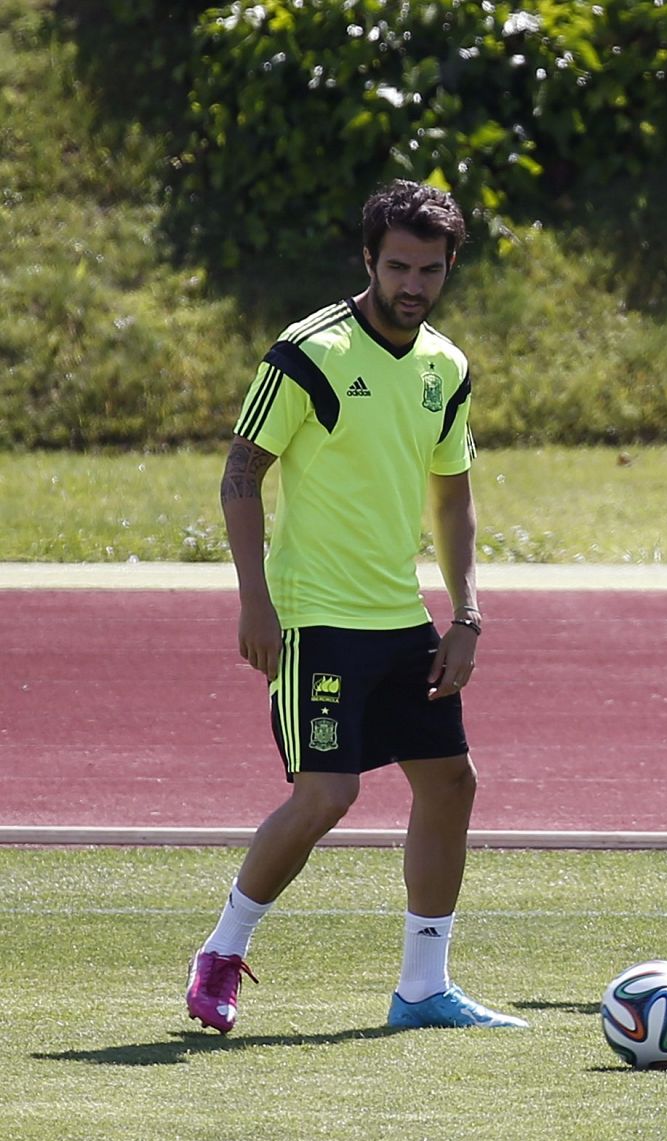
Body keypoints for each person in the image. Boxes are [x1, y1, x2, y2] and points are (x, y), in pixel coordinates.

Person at [185, 180, 528, 1033]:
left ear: (450, 268)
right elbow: (240, 475)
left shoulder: (446, 367)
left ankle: (422, 988)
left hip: (401, 619)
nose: (414, 284)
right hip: (315, 617)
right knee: (328, 794)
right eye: (398, 266)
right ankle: (221, 953)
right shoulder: (310, 351)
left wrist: (467, 615)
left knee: (451, 783)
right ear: (368, 259)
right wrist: (255, 602)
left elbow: (453, 497)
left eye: (430, 269)